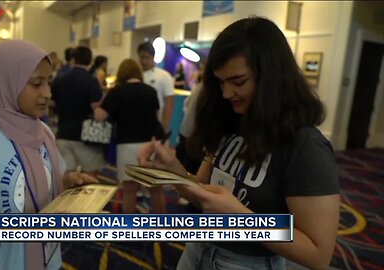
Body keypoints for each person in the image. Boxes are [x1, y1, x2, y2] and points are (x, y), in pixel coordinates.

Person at [139, 17, 340, 270]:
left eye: (238, 82)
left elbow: (318, 254)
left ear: (272, 77)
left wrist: (242, 219)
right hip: (199, 248)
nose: (226, 93)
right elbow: (205, 192)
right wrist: (172, 170)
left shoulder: (305, 145)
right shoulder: (232, 122)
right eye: (221, 82)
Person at [0, 40, 97, 270]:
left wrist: (68, 181)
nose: (47, 93)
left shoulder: (42, 131)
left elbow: (51, 179)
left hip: (49, 259)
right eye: (36, 83)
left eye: (48, 82)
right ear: (7, 84)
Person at [94, 59, 165, 213]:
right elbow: (156, 116)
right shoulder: (150, 90)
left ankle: (130, 229)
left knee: (129, 191)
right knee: (155, 190)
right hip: (151, 144)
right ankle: (163, 227)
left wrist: (101, 101)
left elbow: (99, 116)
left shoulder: (117, 92)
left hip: (127, 145)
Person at [51, 46, 105, 175]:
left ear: (73, 60)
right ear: (90, 61)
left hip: (63, 133)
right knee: (90, 180)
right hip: (86, 137)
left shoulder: (59, 79)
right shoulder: (91, 81)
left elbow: (51, 103)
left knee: (67, 179)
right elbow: (97, 109)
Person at [137, 41, 174, 132]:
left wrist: (165, 125)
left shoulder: (164, 76)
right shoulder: (135, 75)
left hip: (157, 124)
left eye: (147, 58)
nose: (144, 61)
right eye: (142, 57)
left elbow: (169, 101)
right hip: (138, 124)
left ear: (153, 57)